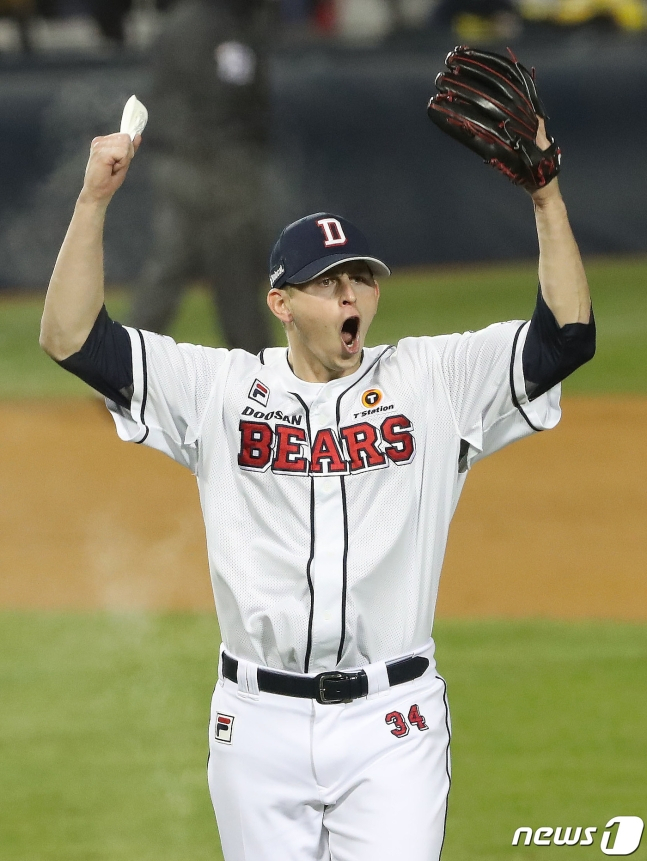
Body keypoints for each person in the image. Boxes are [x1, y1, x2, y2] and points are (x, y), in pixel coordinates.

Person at [39, 101, 594, 858]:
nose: (348, 296)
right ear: (279, 302)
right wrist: (93, 200)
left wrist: (545, 197)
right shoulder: (220, 389)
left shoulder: (431, 379)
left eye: (361, 279)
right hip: (256, 722)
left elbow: (564, 339)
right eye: (327, 282)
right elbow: (70, 337)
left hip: (390, 724)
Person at [128, 0, 273, 353]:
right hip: (207, 165)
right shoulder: (215, 26)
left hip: (190, 162)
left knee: (174, 268)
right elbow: (229, 99)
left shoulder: (197, 21)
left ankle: (119, 367)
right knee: (231, 271)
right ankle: (258, 369)